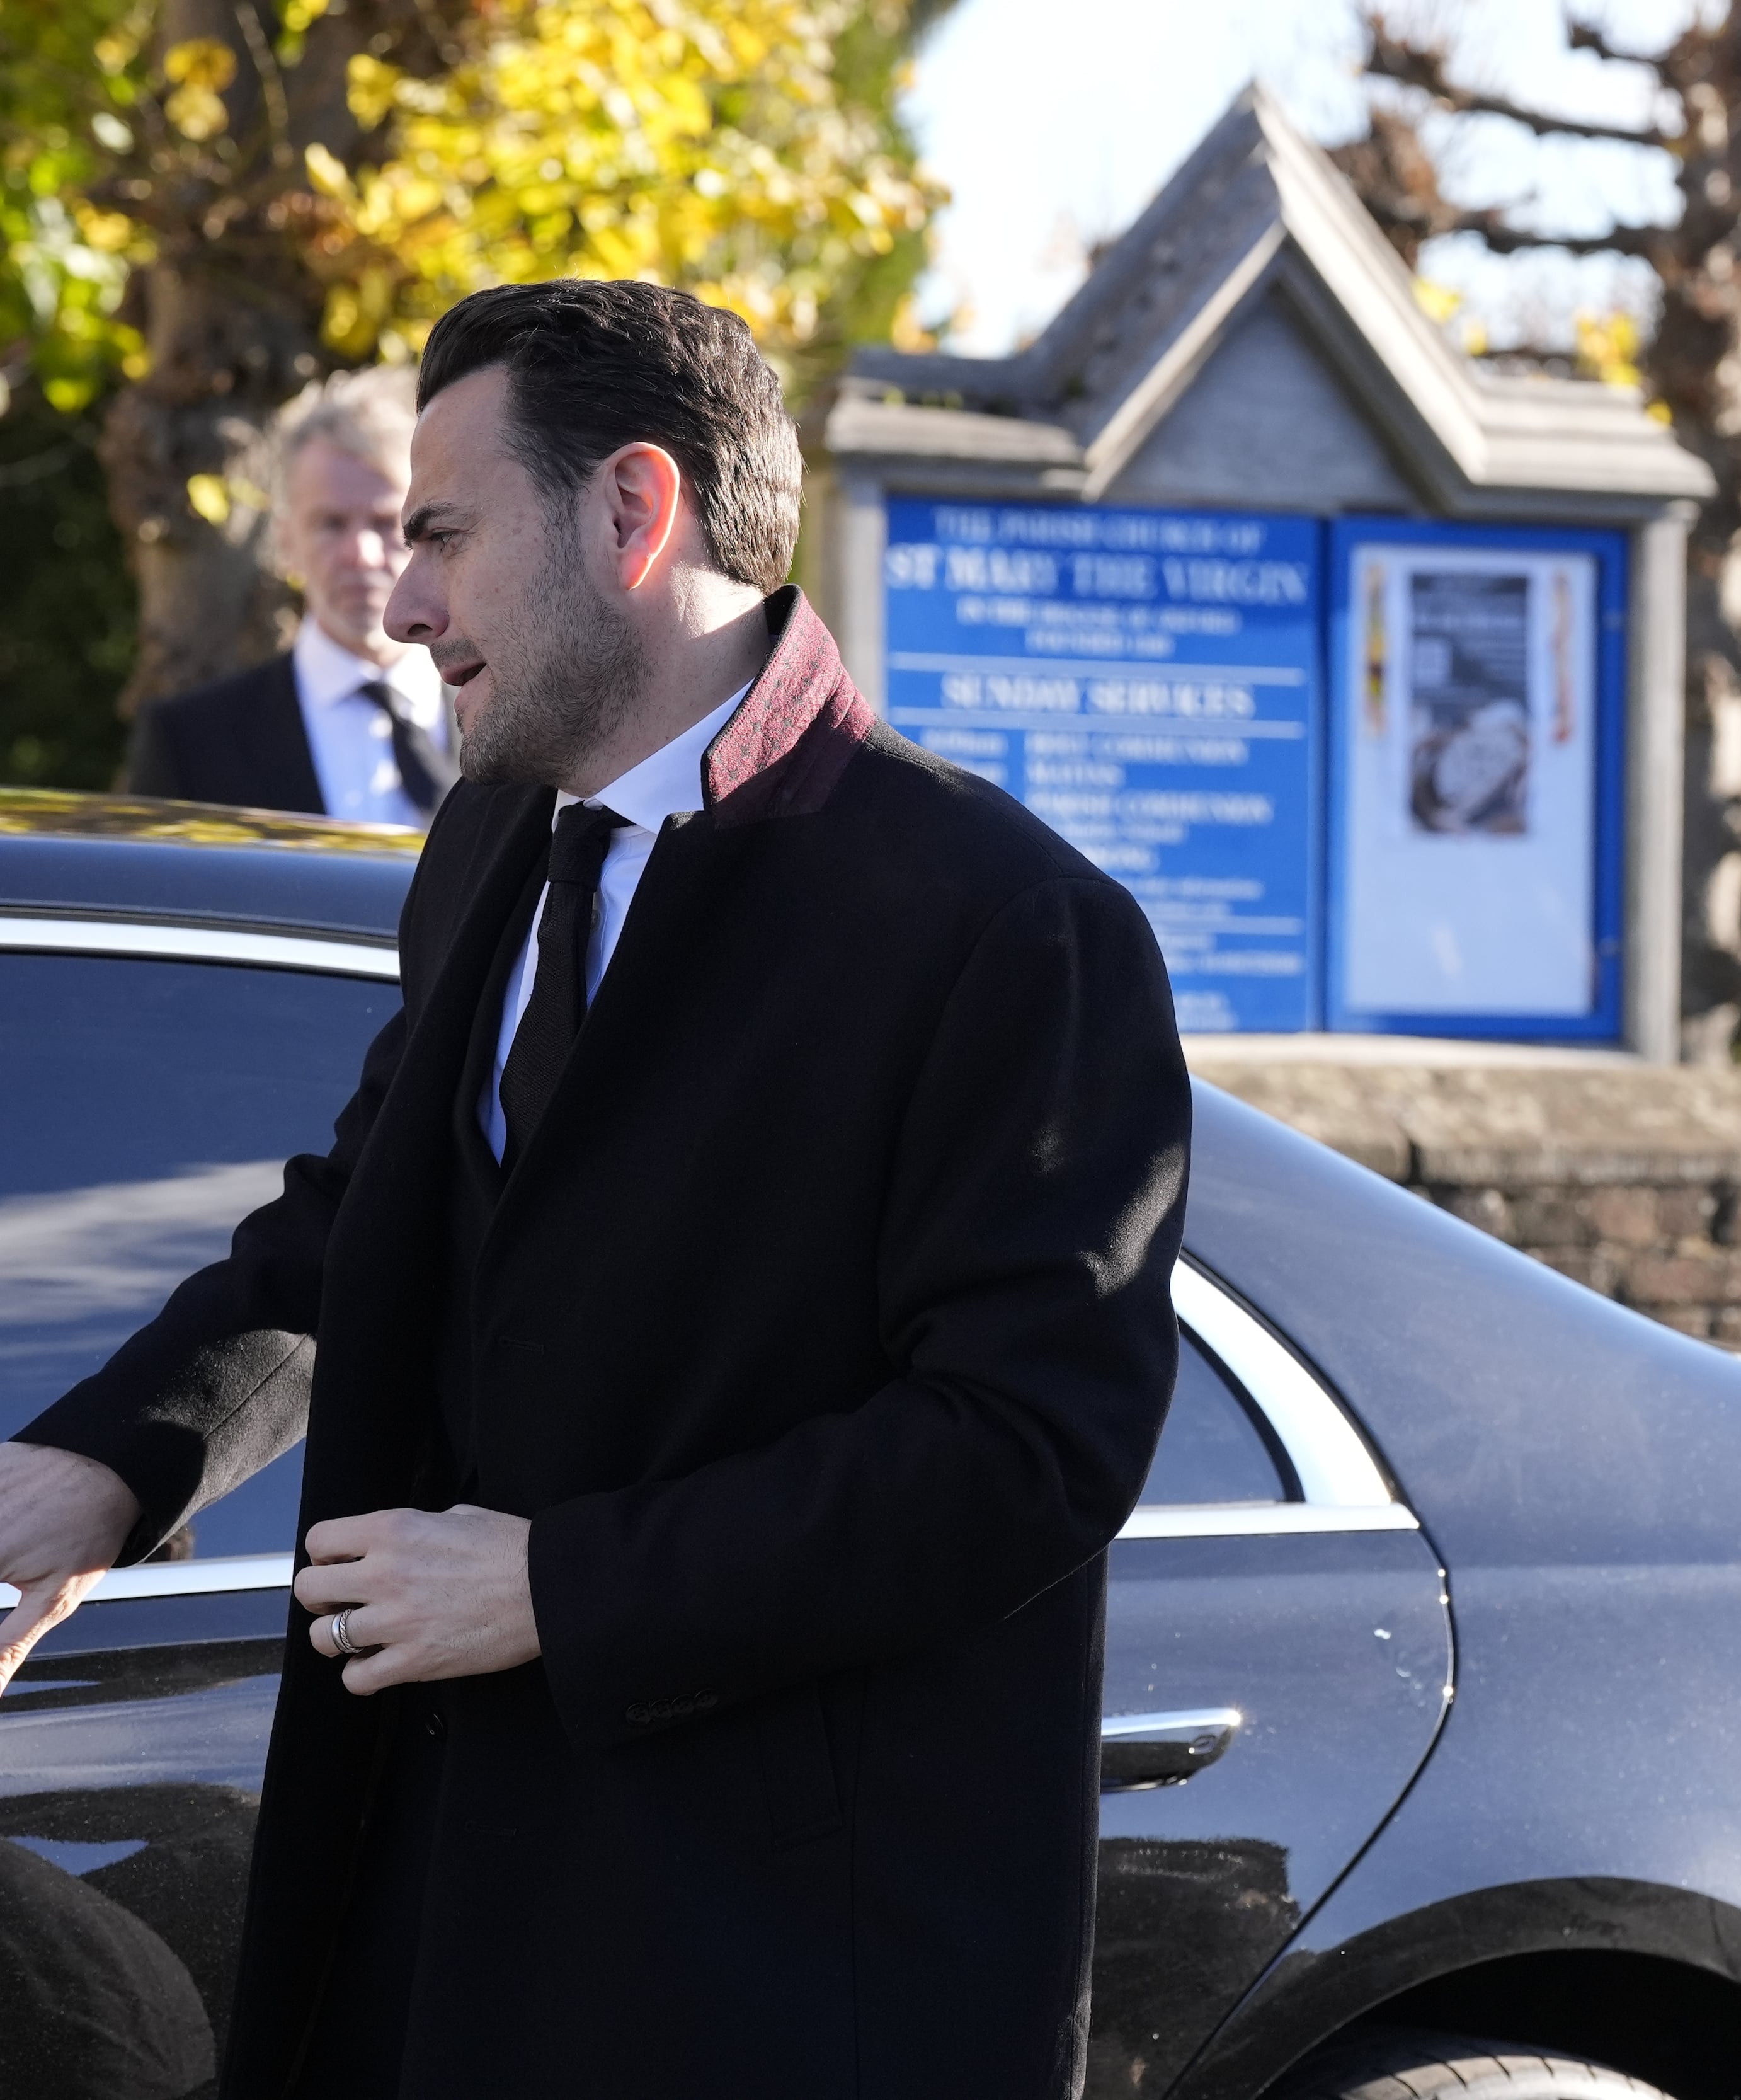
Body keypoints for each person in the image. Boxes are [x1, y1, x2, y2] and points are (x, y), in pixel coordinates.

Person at [0, 279, 1190, 2098]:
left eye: (444, 536)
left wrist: (569, 1584)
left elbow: (1028, 1445)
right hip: (440, 1915)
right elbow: (369, 1217)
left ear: (634, 512)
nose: (400, 606)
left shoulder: (1009, 926)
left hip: (776, 1980)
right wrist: (108, 1464)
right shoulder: (492, 836)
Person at [125, 366, 458, 824]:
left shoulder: (519, 718)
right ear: (286, 543)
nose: (359, 554)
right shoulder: (190, 743)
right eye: (331, 524)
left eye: (385, 523)